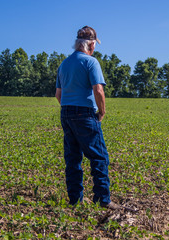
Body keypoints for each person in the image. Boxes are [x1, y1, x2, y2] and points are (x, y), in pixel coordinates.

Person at [55, 26, 120, 210]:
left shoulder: (64, 64)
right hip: (85, 113)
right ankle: (102, 199)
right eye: (94, 45)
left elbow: (58, 94)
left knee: (73, 158)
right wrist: (102, 111)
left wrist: (70, 109)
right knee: (99, 156)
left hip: (66, 112)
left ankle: (76, 200)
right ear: (91, 45)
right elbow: (98, 90)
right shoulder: (91, 62)